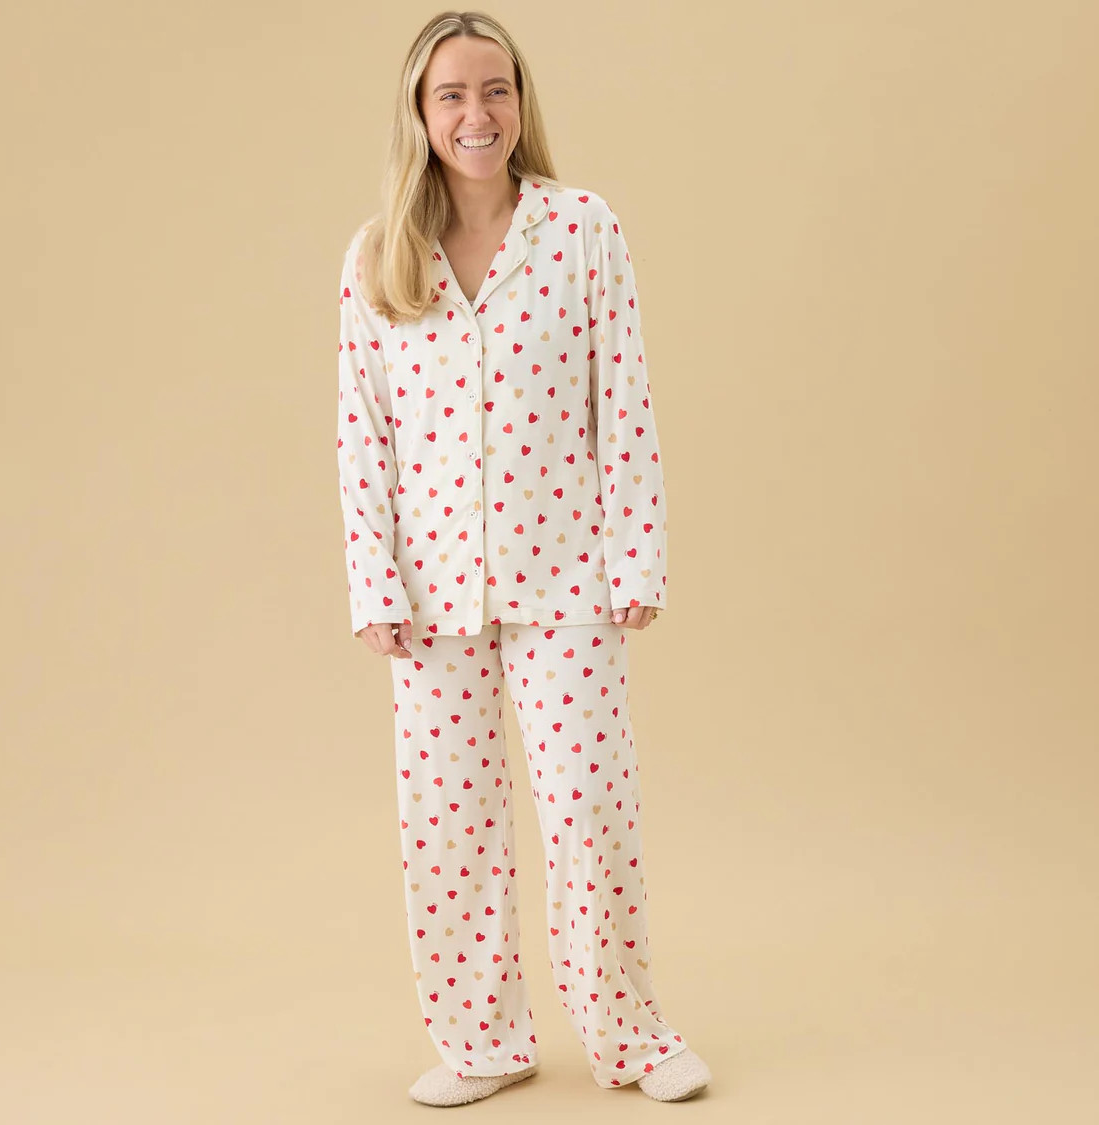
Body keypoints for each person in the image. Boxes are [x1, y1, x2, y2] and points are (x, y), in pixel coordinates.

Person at [336, 9, 712, 1108]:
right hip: (431, 593)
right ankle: (482, 1041)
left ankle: (630, 1036)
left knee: (590, 811)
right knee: (449, 828)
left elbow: (622, 398)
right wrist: (374, 582)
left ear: (520, 102)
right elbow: (363, 434)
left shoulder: (581, 229)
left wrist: (635, 561)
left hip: (568, 579)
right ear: (420, 112)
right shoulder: (377, 256)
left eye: (494, 89)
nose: (476, 113)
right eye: (452, 94)